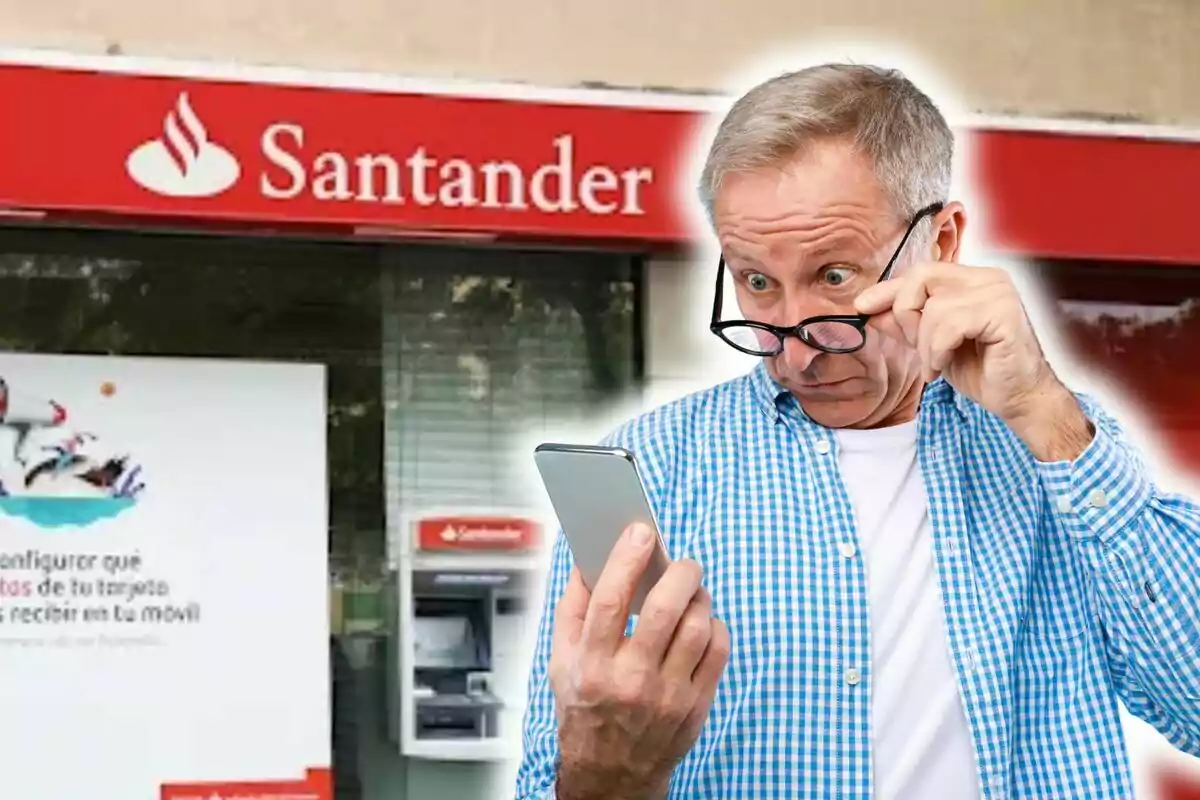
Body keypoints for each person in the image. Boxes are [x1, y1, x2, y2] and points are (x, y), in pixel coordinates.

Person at [513, 63, 1200, 800]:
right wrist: (604, 770)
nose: (796, 348)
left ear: (941, 242)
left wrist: (1047, 417)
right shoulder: (654, 469)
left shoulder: (1061, 450)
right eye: (756, 282)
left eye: (835, 277)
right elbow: (544, 782)